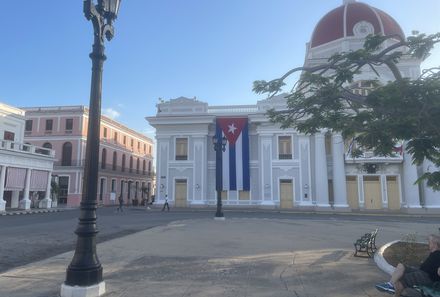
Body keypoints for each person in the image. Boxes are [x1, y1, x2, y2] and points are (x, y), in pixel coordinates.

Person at [376, 234, 440, 296]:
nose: (428, 243)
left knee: (402, 279)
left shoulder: (438, 254)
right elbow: (433, 238)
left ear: (435, 244)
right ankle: (390, 284)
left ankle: (397, 292)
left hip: (427, 277)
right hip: (421, 271)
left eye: (430, 242)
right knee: (401, 266)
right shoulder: (433, 253)